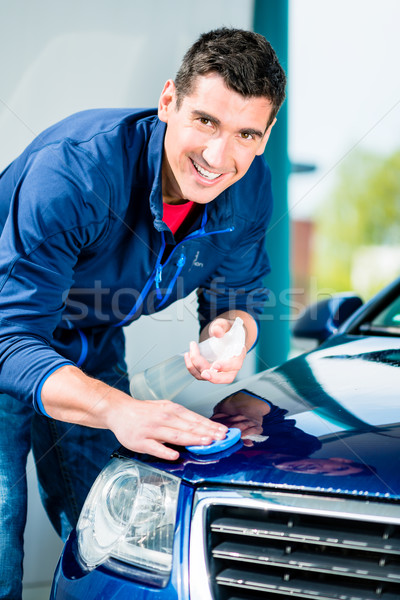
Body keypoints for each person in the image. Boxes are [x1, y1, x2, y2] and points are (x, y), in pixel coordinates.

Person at [0, 27, 286, 598]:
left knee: (110, 538)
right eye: (205, 121)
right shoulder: (76, 174)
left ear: (266, 134)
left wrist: (230, 335)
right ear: (167, 101)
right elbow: (10, 339)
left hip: (92, 342)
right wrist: (119, 410)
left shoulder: (250, 187)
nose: (217, 156)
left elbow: (240, 300)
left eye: (245, 134)